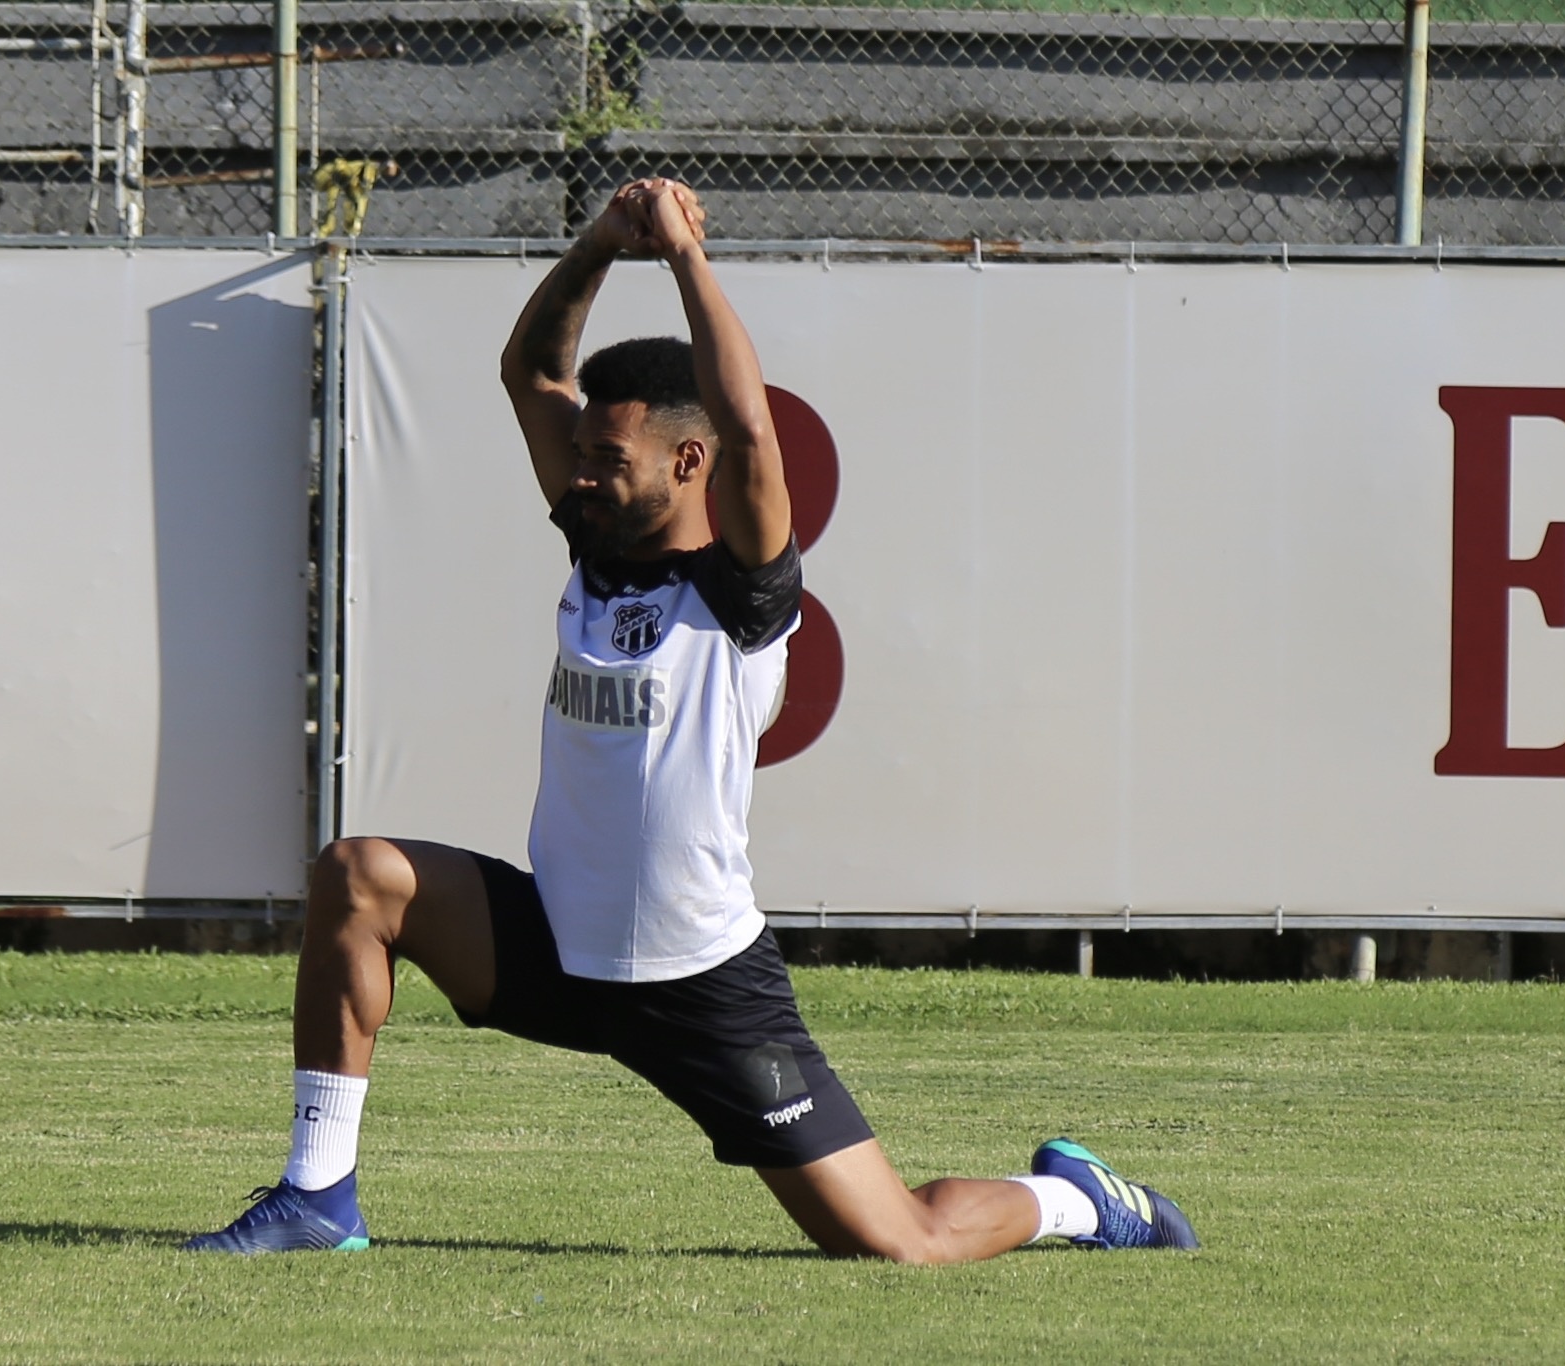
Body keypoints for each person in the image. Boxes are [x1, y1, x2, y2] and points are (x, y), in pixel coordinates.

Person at [184, 179, 1198, 1263]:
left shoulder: (742, 592)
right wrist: (598, 244)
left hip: (703, 986)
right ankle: (317, 1197)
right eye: (580, 458)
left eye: (605, 462)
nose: (580, 476)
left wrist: (682, 258)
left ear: (687, 462)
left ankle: (1083, 1201)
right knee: (359, 873)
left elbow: (755, 431)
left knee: (898, 1241)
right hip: (559, 949)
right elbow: (530, 373)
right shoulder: (593, 541)